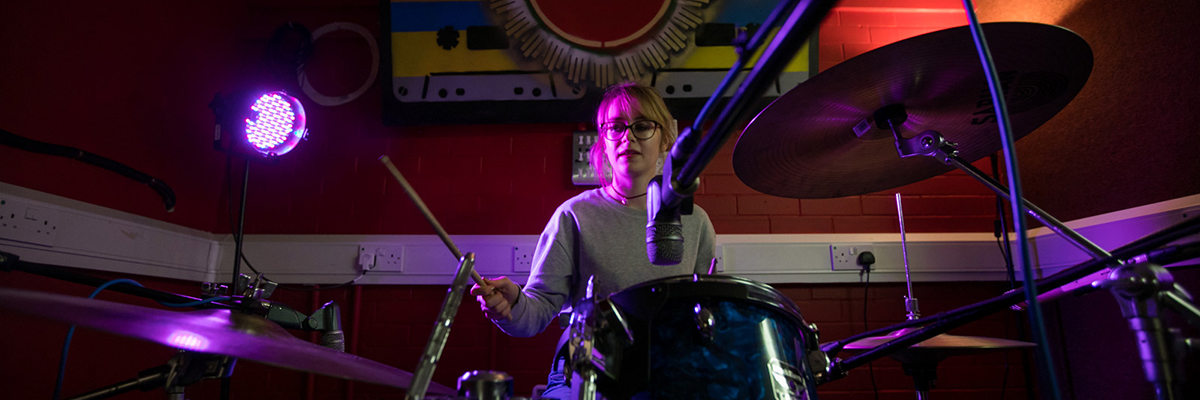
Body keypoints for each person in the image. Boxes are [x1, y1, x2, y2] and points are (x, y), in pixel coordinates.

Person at [470, 82, 717, 398]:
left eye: (642, 126)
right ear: (604, 140)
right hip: (584, 376)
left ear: (665, 138)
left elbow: (708, 320)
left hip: (669, 376)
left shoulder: (696, 222)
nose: (628, 136)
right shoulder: (574, 215)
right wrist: (513, 304)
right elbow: (536, 313)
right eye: (616, 127)